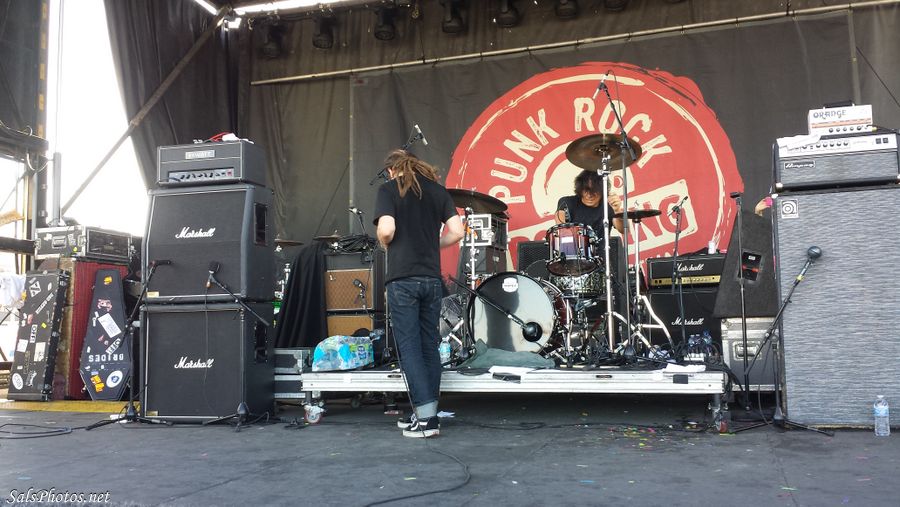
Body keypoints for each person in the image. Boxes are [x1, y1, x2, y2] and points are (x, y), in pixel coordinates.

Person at [373, 149, 464, 438]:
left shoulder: (389, 189)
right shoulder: (437, 191)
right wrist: (431, 245)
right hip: (431, 279)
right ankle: (426, 412)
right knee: (428, 346)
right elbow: (457, 231)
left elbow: (387, 230)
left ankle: (426, 421)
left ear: (392, 170)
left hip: (403, 279)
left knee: (410, 347)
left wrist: (383, 240)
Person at [555, 169, 625, 234]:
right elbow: (561, 226)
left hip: (602, 244)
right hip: (574, 243)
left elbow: (624, 230)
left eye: (594, 191)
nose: (589, 195)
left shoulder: (608, 205)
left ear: (602, 191)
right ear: (580, 189)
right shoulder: (567, 202)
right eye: (585, 190)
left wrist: (617, 211)